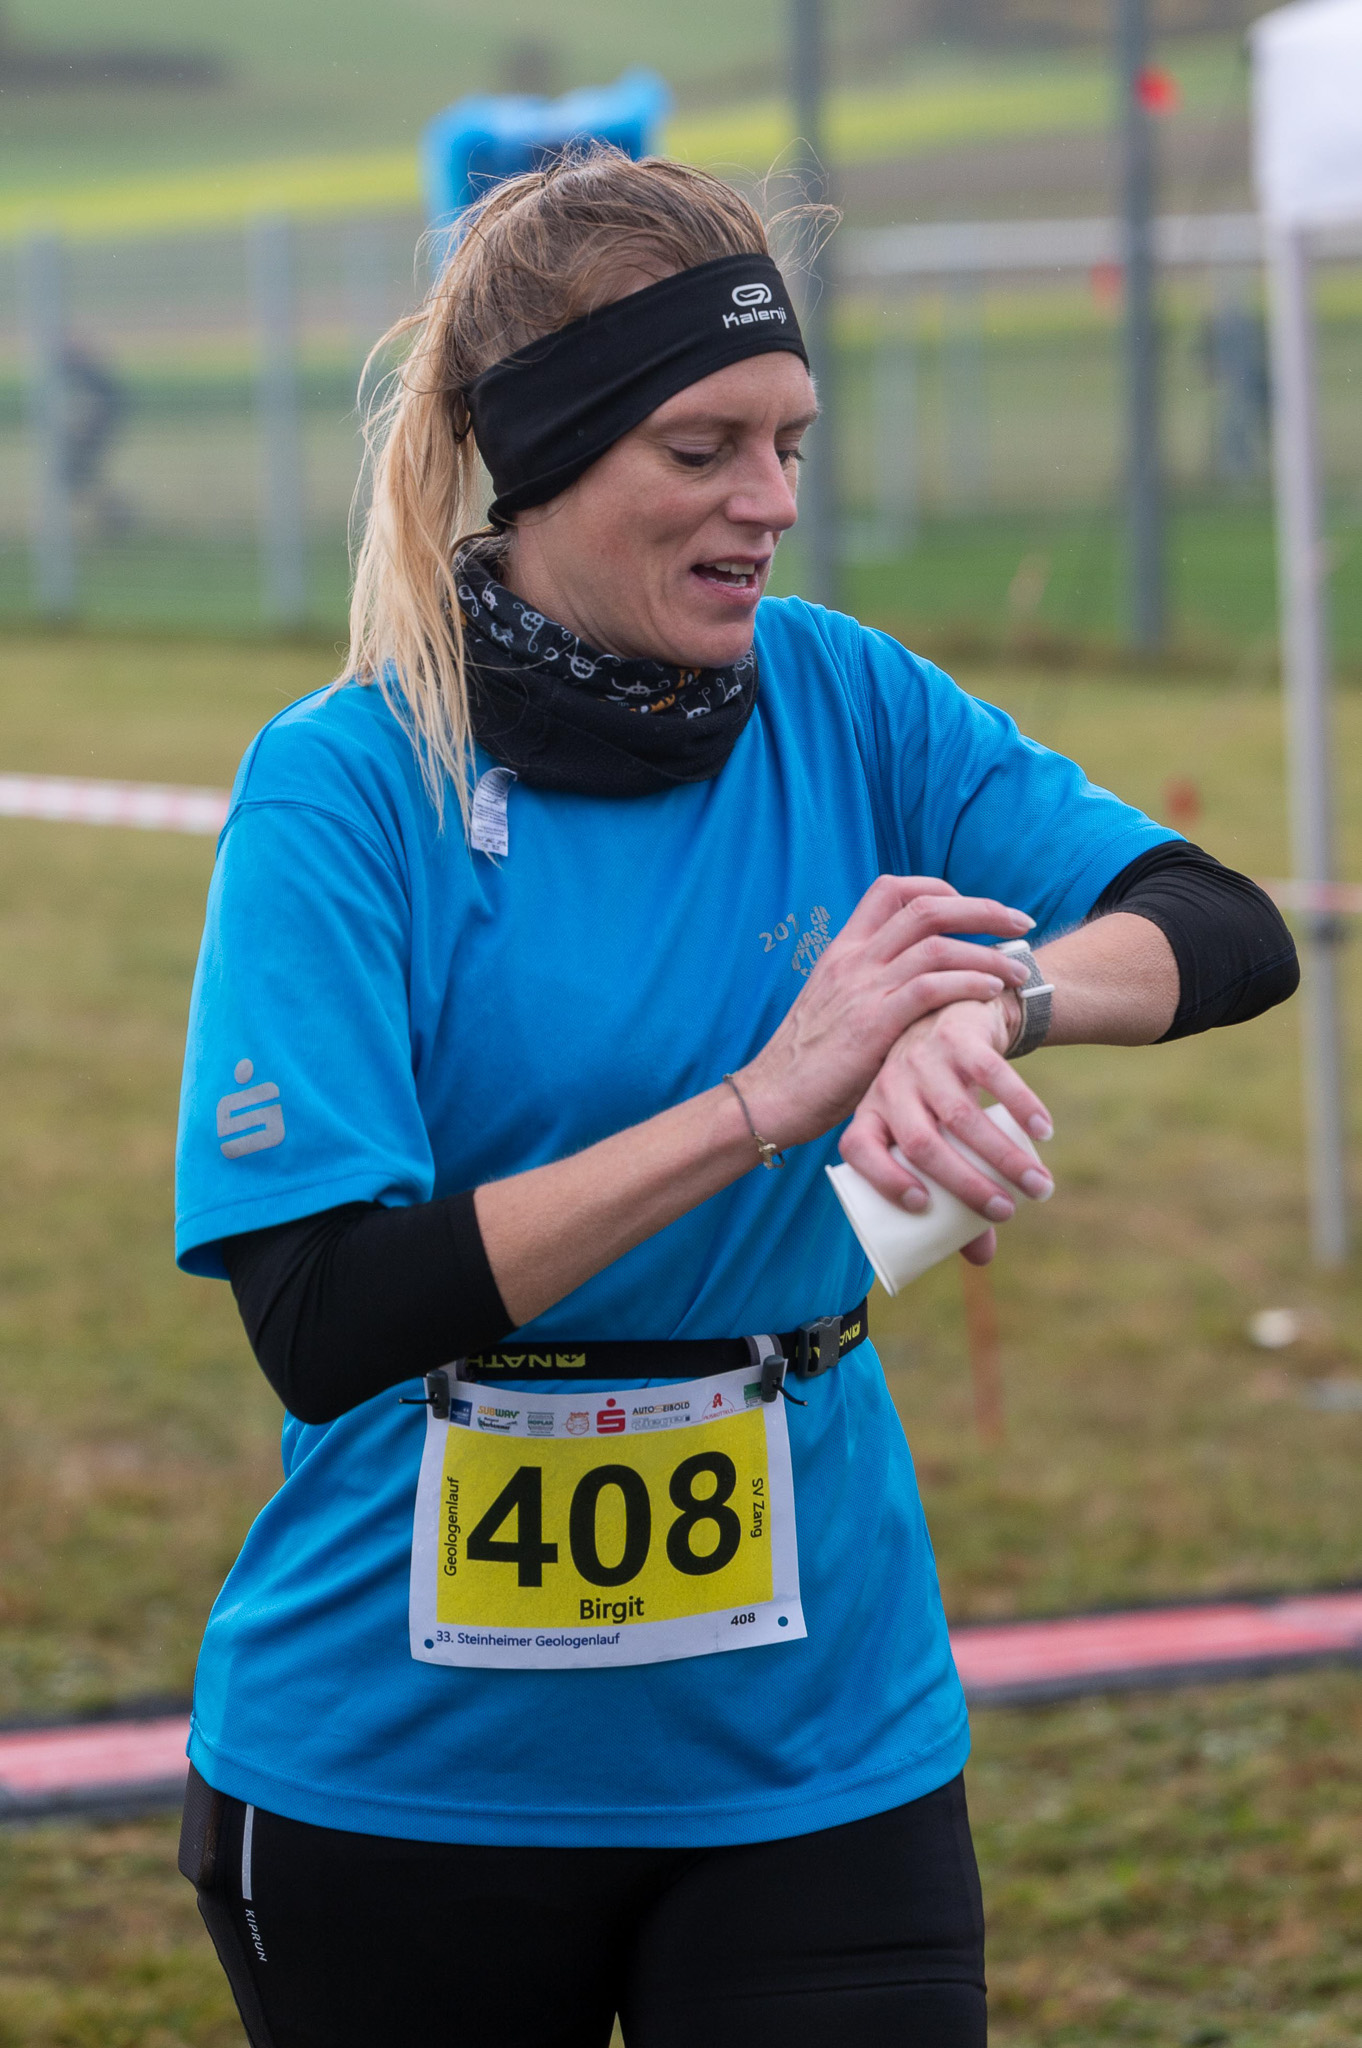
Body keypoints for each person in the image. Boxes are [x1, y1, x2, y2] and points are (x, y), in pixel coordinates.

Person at [173, 148, 1298, 2048]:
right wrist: (766, 1101)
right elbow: (326, 1313)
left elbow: (1217, 923)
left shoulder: (843, 697)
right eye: (701, 449)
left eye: (788, 442)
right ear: (542, 458)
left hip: (817, 1754)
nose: (769, 501)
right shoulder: (347, 784)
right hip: (402, 1777)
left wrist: (989, 1001)